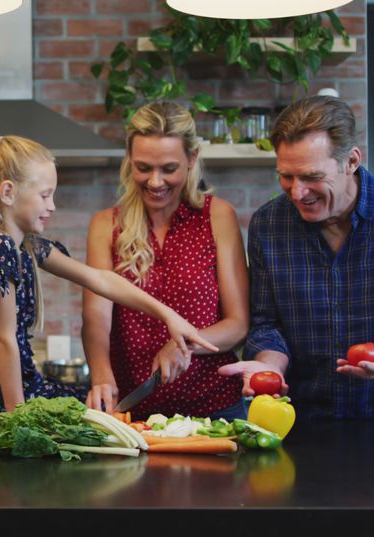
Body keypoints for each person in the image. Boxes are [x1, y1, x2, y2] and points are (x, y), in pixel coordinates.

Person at [218, 95, 374, 429]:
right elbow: (266, 323)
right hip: (303, 425)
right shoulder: (269, 224)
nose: (297, 192)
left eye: (311, 176)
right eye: (286, 176)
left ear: (351, 161)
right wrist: (269, 367)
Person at [0, 135, 216, 426]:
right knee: (101, 418)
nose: (52, 206)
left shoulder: (26, 246)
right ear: (8, 192)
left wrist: (168, 316)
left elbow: (100, 279)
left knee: (98, 412)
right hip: (2, 409)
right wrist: (17, 421)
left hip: (14, 398)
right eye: (45, 195)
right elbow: (4, 340)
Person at [82, 101, 250, 420]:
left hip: (215, 410)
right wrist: (101, 376)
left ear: (192, 159)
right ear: (129, 160)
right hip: (135, 413)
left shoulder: (217, 216)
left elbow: (238, 324)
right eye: (143, 167)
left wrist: (185, 343)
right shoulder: (106, 226)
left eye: (168, 169)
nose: (155, 181)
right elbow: (96, 319)